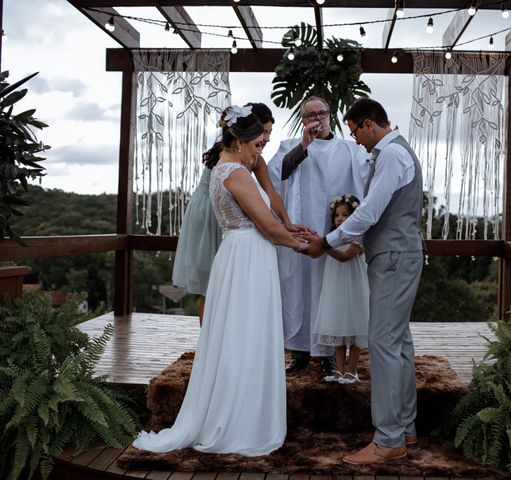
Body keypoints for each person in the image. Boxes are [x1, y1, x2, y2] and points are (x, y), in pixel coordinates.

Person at [133, 106, 308, 456]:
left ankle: (235, 410)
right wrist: (307, 247)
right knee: (247, 334)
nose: (261, 149)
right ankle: (240, 421)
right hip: (247, 257)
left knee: (238, 334)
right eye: (258, 143)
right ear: (241, 142)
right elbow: (267, 227)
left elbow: (271, 216)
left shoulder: (225, 167)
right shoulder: (237, 174)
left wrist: (290, 228)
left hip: (238, 253)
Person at [304, 98, 424, 465]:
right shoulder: (398, 152)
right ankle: (406, 429)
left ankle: (388, 439)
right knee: (398, 341)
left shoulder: (390, 156)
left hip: (393, 257)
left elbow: (371, 211)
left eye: (355, 131)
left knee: (383, 343)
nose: (355, 139)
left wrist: (327, 241)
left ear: (369, 124)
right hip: (399, 255)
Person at [172, 102, 306, 325]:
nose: (266, 139)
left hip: (238, 208)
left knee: (235, 285)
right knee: (211, 285)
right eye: (263, 132)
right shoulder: (228, 157)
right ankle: (210, 335)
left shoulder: (254, 158)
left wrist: (287, 222)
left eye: (269, 133)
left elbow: (270, 192)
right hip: (210, 211)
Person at [268, 96, 370, 374]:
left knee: (329, 294)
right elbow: (276, 175)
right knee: (296, 289)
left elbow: (368, 175)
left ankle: (327, 354)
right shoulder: (290, 147)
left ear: (330, 115)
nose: (316, 120)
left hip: (331, 237)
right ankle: (299, 352)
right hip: (299, 234)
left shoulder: (349, 150)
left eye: (321, 113)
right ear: (303, 121)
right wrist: (304, 146)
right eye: (310, 116)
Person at [312, 194, 369, 385]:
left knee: (353, 328)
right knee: (337, 327)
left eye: (345, 215)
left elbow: (345, 257)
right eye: (337, 215)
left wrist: (323, 245)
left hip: (353, 287)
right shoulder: (332, 238)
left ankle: (352, 371)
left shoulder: (358, 236)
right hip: (336, 287)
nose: (340, 219)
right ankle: (339, 371)